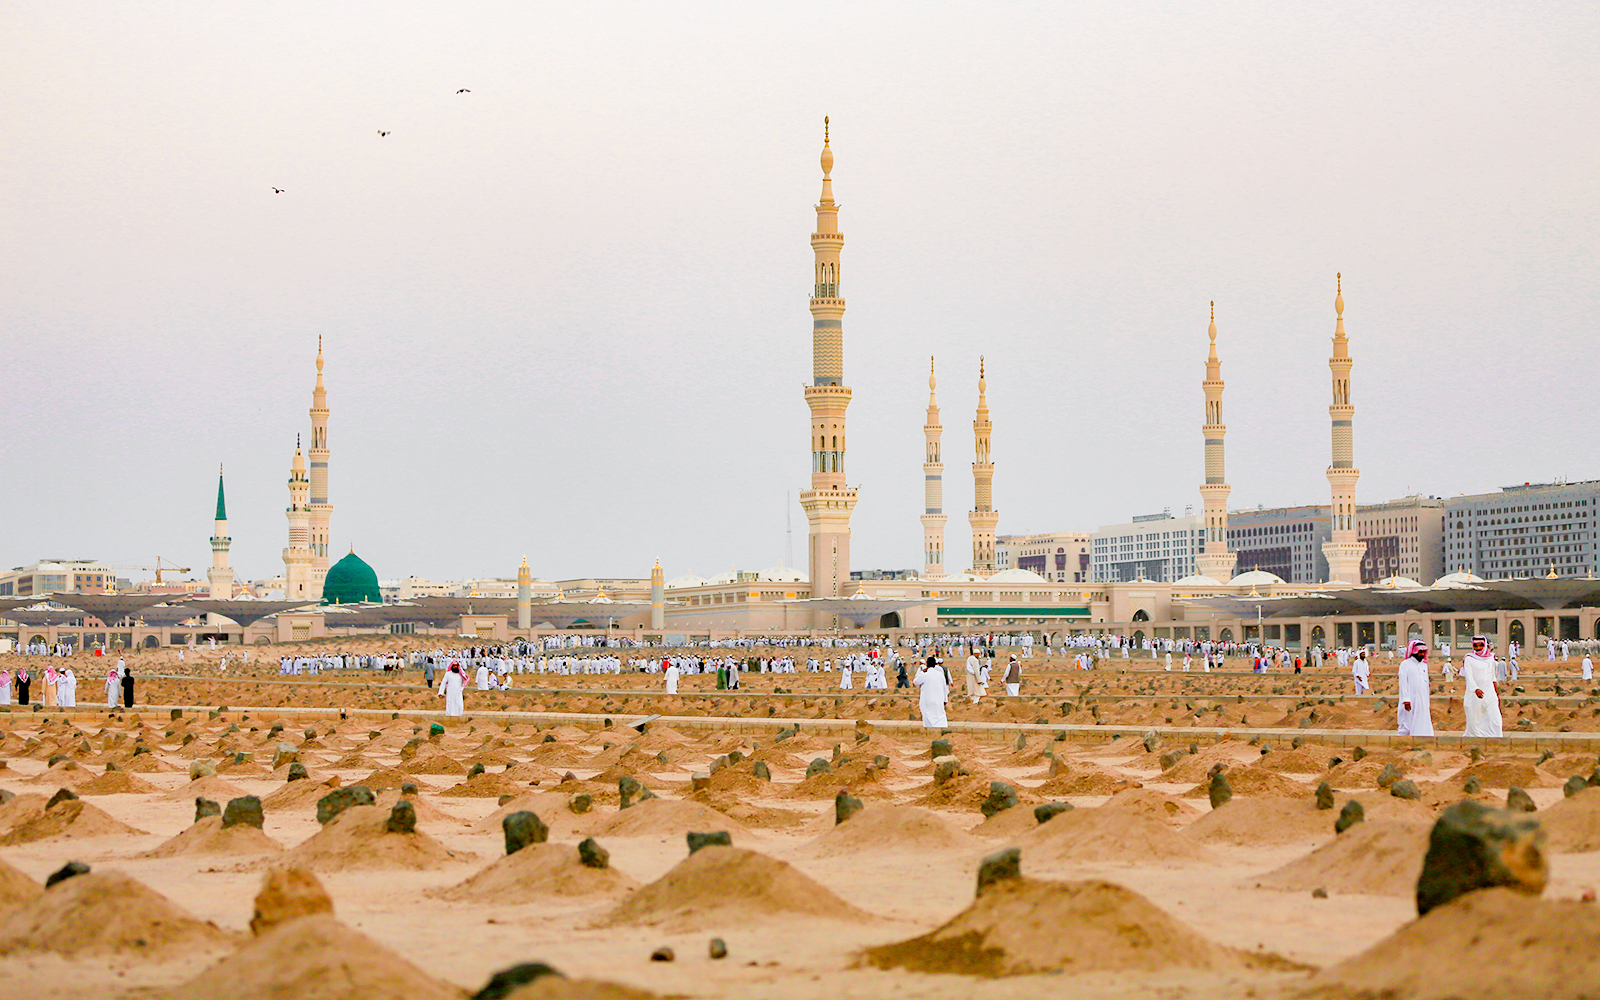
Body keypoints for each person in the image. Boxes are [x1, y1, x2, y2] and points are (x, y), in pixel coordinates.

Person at [1461, 635, 1503, 738]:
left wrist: (1497, 694)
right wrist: (1476, 689)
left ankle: (1496, 740)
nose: (1478, 648)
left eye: (1481, 645)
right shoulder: (1469, 659)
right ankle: (1475, 741)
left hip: (1490, 693)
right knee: (1475, 720)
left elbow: (1493, 677)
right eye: (1476, 645)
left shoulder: (1491, 659)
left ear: (1485, 645)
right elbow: (1469, 677)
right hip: (1474, 694)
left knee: (1495, 719)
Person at [1397, 640, 1434, 736]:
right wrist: (1406, 700)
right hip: (1410, 699)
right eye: (1420, 652)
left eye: (1423, 652)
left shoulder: (1424, 665)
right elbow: (1403, 683)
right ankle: (1399, 743)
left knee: (1422, 720)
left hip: (1423, 699)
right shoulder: (1405, 664)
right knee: (1407, 724)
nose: (1422, 654)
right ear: (1413, 651)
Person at [914, 654, 949, 728]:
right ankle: (941, 728)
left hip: (928, 700)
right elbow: (944, 688)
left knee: (928, 715)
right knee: (939, 715)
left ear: (927, 664)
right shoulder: (940, 675)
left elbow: (915, 682)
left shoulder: (925, 675)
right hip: (939, 699)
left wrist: (922, 672)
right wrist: (945, 699)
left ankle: (930, 730)